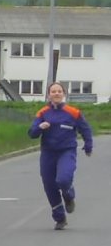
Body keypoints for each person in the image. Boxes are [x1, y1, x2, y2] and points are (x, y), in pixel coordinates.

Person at [28, 81, 93, 230]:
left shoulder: (73, 112)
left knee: (63, 179)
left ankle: (69, 196)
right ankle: (60, 218)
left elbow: (85, 129)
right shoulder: (43, 113)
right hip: (48, 153)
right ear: (49, 95)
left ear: (63, 94)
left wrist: (88, 145)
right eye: (53, 91)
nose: (56, 94)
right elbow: (31, 133)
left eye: (59, 91)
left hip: (67, 151)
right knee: (50, 185)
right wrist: (39, 127)